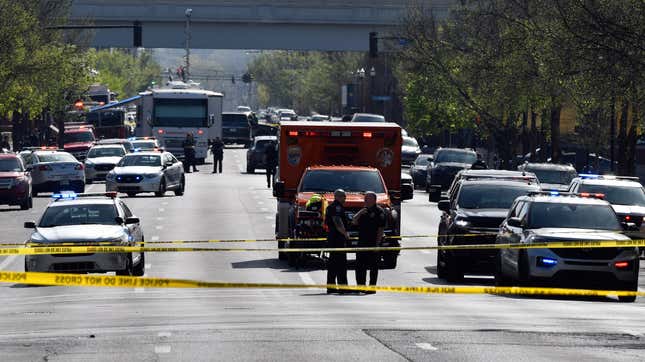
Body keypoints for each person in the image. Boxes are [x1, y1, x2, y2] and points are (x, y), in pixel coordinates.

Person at [351, 191, 386, 294]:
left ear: (374, 200)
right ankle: (360, 286)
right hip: (362, 241)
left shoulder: (379, 211)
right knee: (360, 266)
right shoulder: (363, 211)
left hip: (373, 242)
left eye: (367, 199)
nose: (365, 200)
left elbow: (381, 229)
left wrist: (377, 244)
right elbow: (353, 221)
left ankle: (371, 287)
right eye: (365, 199)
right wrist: (360, 212)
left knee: (373, 266)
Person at [325, 189, 349, 294]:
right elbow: (337, 222)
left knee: (333, 263)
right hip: (337, 238)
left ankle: (331, 286)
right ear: (338, 197)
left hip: (333, 238)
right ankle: (343, 286)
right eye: (344, 196)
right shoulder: (336, 207)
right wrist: (345, 234)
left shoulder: (333, 207)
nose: (345, 199)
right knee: (341, 263)